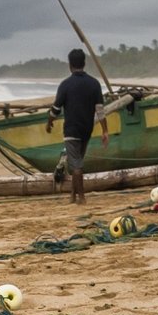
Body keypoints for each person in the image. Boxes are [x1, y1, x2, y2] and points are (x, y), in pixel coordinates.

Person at [50, 48, 104, 202]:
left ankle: (82, 197)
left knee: (76, 166)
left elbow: (55, 109)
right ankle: (73, 196)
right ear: (84, 63)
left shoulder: (65, 85)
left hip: (71, 130)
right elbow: (100, 110)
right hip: (86, 130)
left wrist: (49, 123)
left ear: (70, 65)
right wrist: (105, 130)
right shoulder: (94, 84)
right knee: (76, 162)